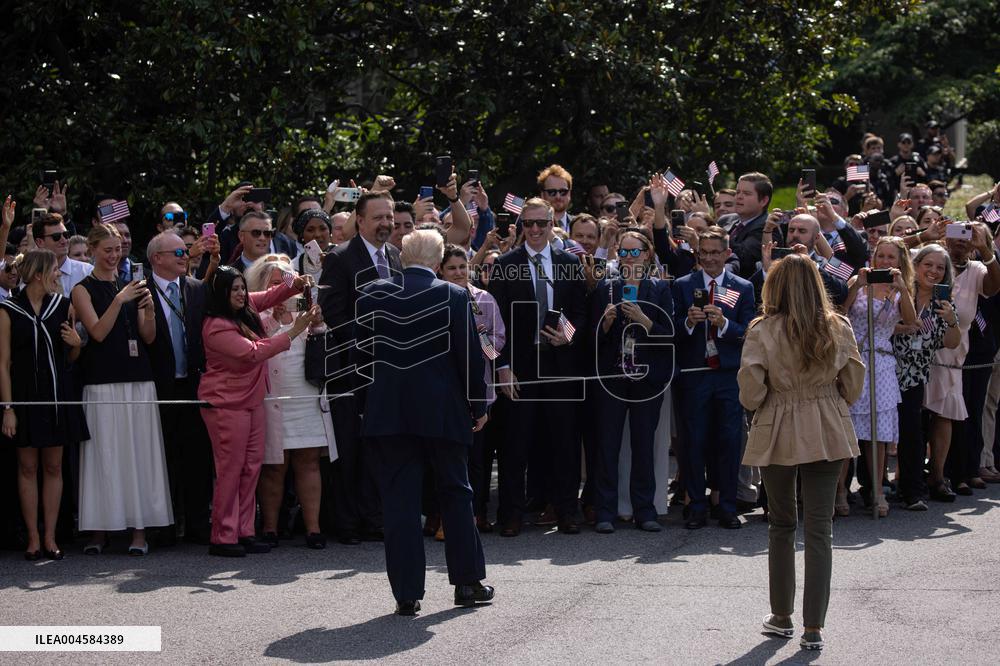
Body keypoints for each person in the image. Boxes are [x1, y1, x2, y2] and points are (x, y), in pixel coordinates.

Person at [355, 229, 493, 615]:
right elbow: (470, 356)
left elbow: (360, 359)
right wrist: (478, 404)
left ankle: (406, 593)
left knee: (399, 502)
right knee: (455, 494)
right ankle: (467, 583)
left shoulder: (370, 296)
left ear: (401, 258)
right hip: (442, 411)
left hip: (389, 413)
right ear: (436, 263)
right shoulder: (452, 295)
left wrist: (366, 406)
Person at [738, 253, 864, 652]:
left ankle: (782, 616)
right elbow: (854, 384)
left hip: (778, 423)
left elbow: (751, 389)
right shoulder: (837, 326)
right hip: (826, 422)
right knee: (820, 529)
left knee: (780, 524)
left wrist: (766, 401)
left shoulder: (762, 330)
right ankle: (814, 627)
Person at [198, 265, 318, 557]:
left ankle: (244, 530)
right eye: (234, 289)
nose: (241, 294)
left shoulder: (245, 305)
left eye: (242, 287)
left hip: (252, 400)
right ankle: (223, 535)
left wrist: (295, 282)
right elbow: (254, 352)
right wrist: (295, 331)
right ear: (221, 294)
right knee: (230, 470)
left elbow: (271, 294)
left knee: (251, 468)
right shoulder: (216, 326)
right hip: (226, 404)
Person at [487, 197, 587, 536]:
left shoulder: (568, 263)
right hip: (520, 366)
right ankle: (511, 514)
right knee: (515, 443)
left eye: (540, 224)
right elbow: (492, 325)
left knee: (564, 442)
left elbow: (581, 313)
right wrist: (502, 367)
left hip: (559, 364)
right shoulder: (505, 264)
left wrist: (567, 335)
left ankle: (567, 511)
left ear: (551, 225)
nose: (534, 230)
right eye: (527, 224)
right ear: (519, 227)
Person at [72, 223, 173, 555]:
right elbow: (97, 332)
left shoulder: (133, 284)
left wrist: (149, 311)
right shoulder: (82, 289)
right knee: (105, 454)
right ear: (93, 251)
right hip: (101, 381)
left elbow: (148, 337)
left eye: (118, 249)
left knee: (139, 454)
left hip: (138, 379)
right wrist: (119, 299)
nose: (114, 256)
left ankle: (139, 532)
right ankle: (99, 531)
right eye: (107, 251)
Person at [318, 191, 403, 544]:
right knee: (350, 450)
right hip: (352, 369)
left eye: (390, 217)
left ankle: (374, 517)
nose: (386, 223)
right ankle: (347, 522)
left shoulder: (397, 256)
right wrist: (375, 335)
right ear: (360, 219)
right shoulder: (339, 258)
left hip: (389, 371)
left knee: (380, 448)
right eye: (379, 217)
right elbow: (334, 316)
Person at [0, 249, 89, 560]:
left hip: (56, 394)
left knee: (53, 466)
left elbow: (71, 358)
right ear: (38, 274)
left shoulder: (64, 306)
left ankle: (50, 536)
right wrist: (8, 408)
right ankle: (33, 537)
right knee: (27, 467)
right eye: (53, 270)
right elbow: (3, 363)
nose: (57, 275)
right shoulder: (8, 310)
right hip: (24, 398)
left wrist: (77, 346)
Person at [245, 256, 337, 550]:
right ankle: (270, 527)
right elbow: (255, 347)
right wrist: (274, 316)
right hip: (271, 398)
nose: (283, 289)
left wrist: (319, 326)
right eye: (275, 283)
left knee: (308, 462)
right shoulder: (253, 314)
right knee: (274, 465)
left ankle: (313, 528)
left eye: (287, 282)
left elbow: (325, 352)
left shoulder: (306, 309)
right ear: (262, 286)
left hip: (306, 394)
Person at [590, 231, 674, 533]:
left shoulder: (660, 289)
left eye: (634, 253)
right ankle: (604, 512)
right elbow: (592, 338)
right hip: (612, 378)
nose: (628, 259)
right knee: (607, 445)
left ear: (647, 254)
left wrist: (645, 320)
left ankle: (645, 510)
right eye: (622, 253)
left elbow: (670, 335)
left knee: (643, 445)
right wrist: (607, 322)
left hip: (646, 379)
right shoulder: (607, 287)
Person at [672, 227, 755, 529]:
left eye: (714, 252)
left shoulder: (742, 287)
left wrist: (724, 324)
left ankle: (728, 506)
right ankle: (696, 505)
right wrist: (688, 323)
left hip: (727, 375)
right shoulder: (682, 285)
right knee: (694, 440)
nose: (708, 258)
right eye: (703, 252)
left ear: (726, 253)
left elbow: (748, 330)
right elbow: (671, 330)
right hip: (695, 375)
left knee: (729, 440)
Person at [840, 237, 917, 516]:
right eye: (880, 256)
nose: (885, 262)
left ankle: (876, 492)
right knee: (847, 429)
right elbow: (839, 313)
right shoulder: (858, 283)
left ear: (900, 262)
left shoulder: (899, 290)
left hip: (882, 362)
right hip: (855, 359)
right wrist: (858, 285)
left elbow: (910, 321)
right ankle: (840, 492)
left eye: (891, 257)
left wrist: (902, 291)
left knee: (879, 433)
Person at [146, 232, 213, 545]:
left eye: (185, 251)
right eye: (177, 251)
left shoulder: (196, 289)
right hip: (157, 385)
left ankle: (199, 523)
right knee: (162, 456)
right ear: (157, 258)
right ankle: (165, 525)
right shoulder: (138, 290)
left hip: (194, 383)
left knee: (197, 456)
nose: (184, 255)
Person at [924, 226, 1000, 500]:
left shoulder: (978, 268)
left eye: (965, 235)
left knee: (948, 413)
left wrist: (986, 249)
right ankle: (910, 477)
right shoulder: (933, 260)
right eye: (954, 234)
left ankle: (939, 475)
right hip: (921, 347)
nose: (959, 240)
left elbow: (993, 287)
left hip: (955, 352)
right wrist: (926, 235)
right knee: (918, 415)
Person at [439, 244, 505, 532]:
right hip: (444, 391)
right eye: (452, 268)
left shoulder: (485, 299)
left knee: (478, 460)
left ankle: (477, 513)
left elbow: (498, 343)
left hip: (480, 390)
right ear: (440, 270)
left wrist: (478, 345)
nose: (458, 273)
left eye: (462, 267)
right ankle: (442, 516)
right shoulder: (435, 297)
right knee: (446, 458)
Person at [892, 244, 960, 510]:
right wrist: (905, 327)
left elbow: (952, 343)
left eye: (940, 267)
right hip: (887, 367)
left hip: (916, 374)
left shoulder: (943, 302)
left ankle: (914, 491)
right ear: (916, 265)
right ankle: (872, 487)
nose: (933, 271)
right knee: (879, 431)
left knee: (912, 432)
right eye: (928, 265)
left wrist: (952, 320)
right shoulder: (899, 292)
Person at [33, 212, 93, 296]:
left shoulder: (87, 272)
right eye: (56, 237)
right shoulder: (33, 276)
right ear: (39, 242)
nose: (64, 240)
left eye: (66, 234)